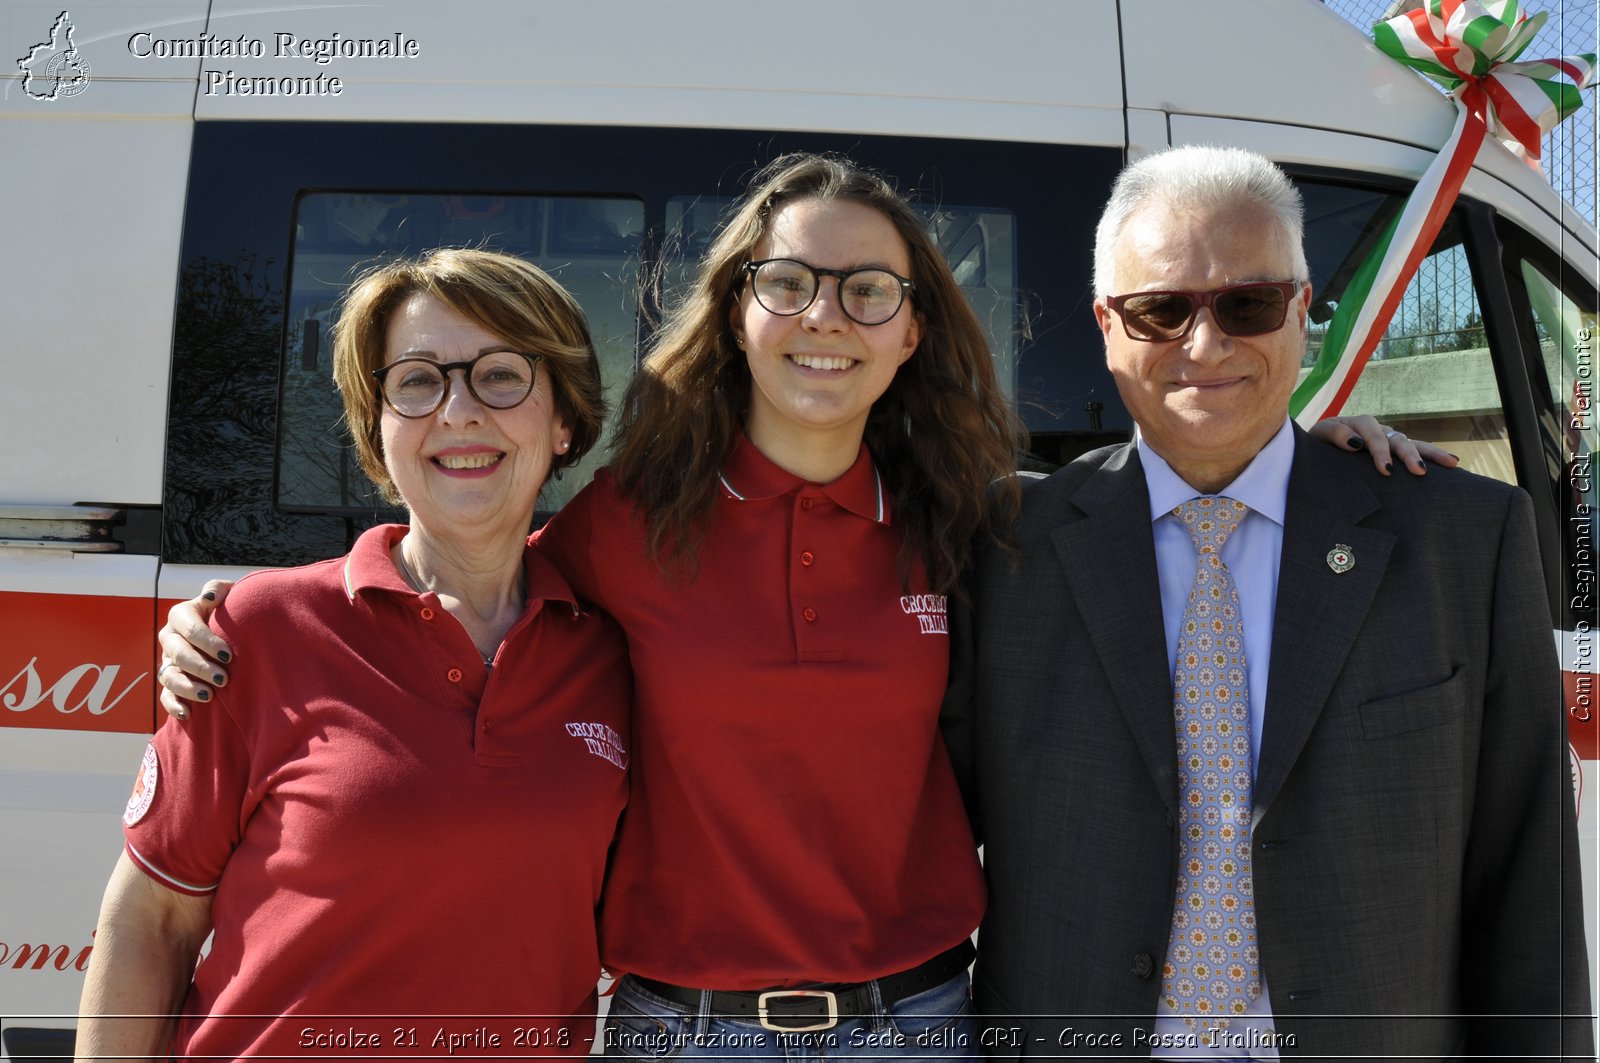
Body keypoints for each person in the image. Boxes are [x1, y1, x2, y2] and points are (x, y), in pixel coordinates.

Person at [148, 154, 1440, 1060]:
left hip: (921, 1024)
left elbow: (1184, 488)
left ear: (913, 331)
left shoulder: (983, 522)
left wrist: (1315, 451)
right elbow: (463, 559)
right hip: (678, 1029)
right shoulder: (625, 525)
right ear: (738, 309)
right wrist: (237, 615)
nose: (828, 316)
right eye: (791, 283)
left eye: (868, 289)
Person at [942, 145, 1592, 1060]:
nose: (1204, 346)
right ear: (1105, 324)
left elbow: (1530, 882)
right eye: (1160, 310)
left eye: (1247, 305)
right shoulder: (1002, 546)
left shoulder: (1460, 537)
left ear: (1302, 311)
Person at [76, 249, 630, 1061]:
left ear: (564, 420)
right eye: (416, 381)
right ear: (377, 428)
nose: (459, 410)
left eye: (502, 375)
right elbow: (150, 920)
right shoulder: (261, 629)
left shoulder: (614, 652)